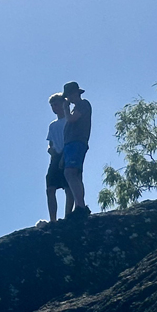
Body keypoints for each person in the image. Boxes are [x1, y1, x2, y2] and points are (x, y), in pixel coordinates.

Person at [61, 81, 93, 218]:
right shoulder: (77, 107)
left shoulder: (83, 104)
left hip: (77, 142)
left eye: (69, 95)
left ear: (75, 93)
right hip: (71, 144)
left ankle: (80, 205)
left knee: (70, 172)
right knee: (75, 174)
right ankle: (80, 205)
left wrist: (65, 109)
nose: (68, 98)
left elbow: (72, 119)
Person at [46, 92, 74, 222]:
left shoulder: (69, 120)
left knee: (68, 187)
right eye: (52, 106)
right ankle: (53, 220)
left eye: (56, 104)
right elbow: (51, 142)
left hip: (68, 154)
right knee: (50, 188)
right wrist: (50, 150)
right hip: (55, 157)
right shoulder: (52, 125)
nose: (54, 108)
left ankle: (68, 216)